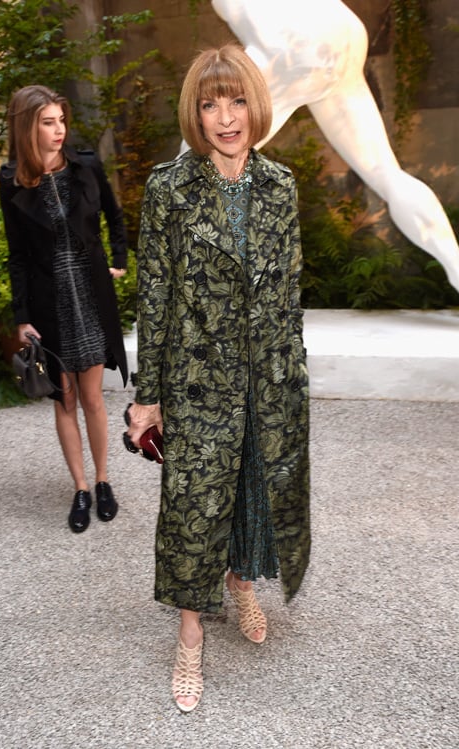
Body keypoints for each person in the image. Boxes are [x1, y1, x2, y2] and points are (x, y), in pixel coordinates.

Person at [126, 44, 312, 713]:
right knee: (193, 507)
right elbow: (154, 297)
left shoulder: (281, 186)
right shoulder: (170, 189)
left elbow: (288, 291)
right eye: (210, 104)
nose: (226, 117)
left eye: (236, 101)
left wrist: (291, 378)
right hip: (197, 381)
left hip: (264, 380)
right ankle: (190, 636)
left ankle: (241, 582)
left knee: (251, 490)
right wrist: (148, 397)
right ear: (195, 114)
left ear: (255, 106)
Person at [192, 0, 459, 321]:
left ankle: (193, 296)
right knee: (385, 172)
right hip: (340, 31)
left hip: (287, 44)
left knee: (193, 166)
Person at [0, 84, 129, 534]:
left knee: (92, 397)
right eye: (48, 122)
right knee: (65, 399)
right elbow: (17, 255)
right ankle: (81, 488)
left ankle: (103, 480)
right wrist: (22, 317)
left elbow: (114, 215)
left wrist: (118, 260)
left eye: (61, 121)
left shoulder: (85, 166)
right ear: (27, 128)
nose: (59, 130)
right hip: (48, 303)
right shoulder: (12, 180)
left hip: (89, 298)